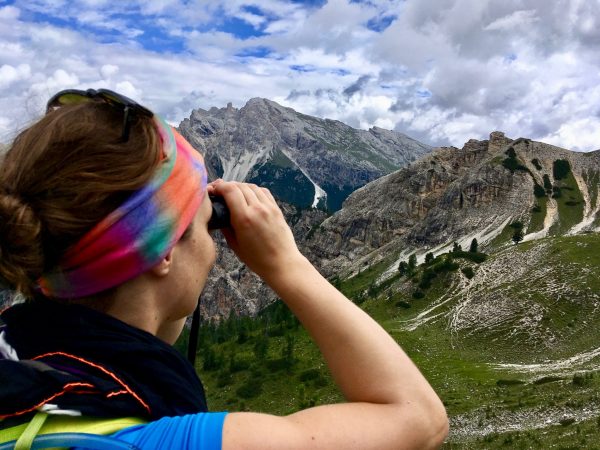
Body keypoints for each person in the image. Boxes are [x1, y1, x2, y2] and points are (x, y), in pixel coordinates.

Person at [0, 88, 448, 449]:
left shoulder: (19, 363)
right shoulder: (148, 441)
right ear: (162, 255)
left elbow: (125, 329)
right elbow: (418, 419)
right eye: (203, 223)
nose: (212, 246)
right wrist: (287, 264)